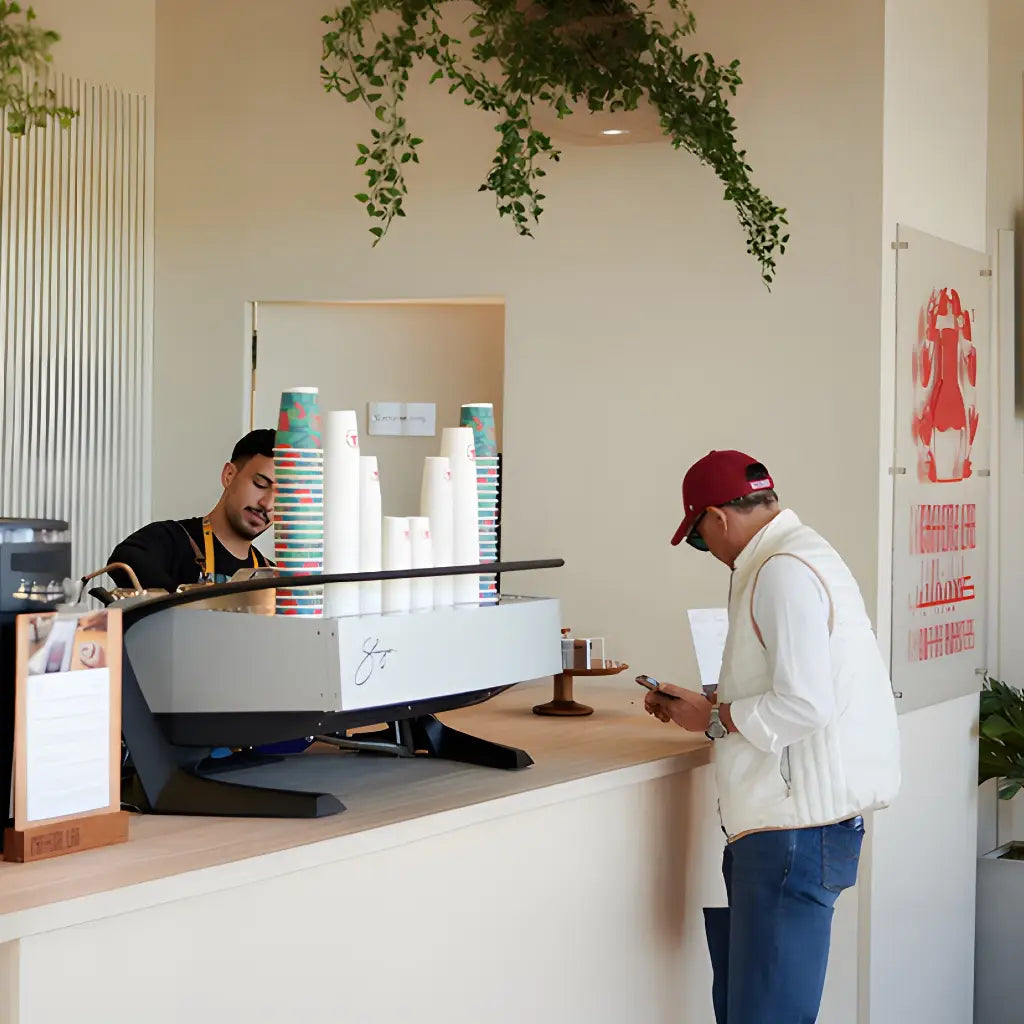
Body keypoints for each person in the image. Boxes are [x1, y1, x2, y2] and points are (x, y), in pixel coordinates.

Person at [645, 449, 901, 1024]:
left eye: (697, 537)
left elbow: (805, 703)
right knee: (753, 1009)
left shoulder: (781, 571)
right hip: (799, 830)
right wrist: (712, 707)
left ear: (718, 517)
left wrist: (715, 718)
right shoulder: (803, 554)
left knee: (765, 1016)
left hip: (790, 834)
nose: (705, 550)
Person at [108, 429, 276, 592]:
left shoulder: (272, 577)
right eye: (260, 484)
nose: (267, 504)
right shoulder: (171, 540)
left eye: (282, 496)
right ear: (229, 475)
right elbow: (126, 560)